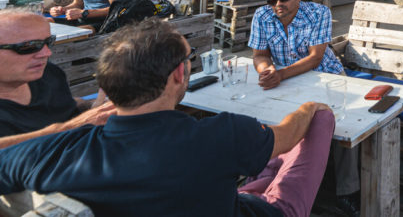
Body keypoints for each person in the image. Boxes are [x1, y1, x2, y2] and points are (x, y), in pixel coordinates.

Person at [0, 17, 335, 217]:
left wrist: (64, 131)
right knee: (317, 123)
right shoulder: (220, 136)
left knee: (260, 164)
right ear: (179, 74)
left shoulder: (48, 155)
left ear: (105, 86)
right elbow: (289, 134)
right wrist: (308, 108)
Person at [248, 0, 359, 215]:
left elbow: (315, 57)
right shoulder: (262, 16)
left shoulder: (318, 13)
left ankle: (347, 192)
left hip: (326, 76)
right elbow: (259, 54)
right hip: (286, 80)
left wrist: (280, 74)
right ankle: (269, 178)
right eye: (273, 0)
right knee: (261, 116)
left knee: (344, 124)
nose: (278, 4)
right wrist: (265, 69)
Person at [0, 9, 115, 150]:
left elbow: (62, 104)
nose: (46, 53)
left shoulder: (48, 74)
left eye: (49, 42)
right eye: (29, 46)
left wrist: (94, 107)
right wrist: (75, 126)